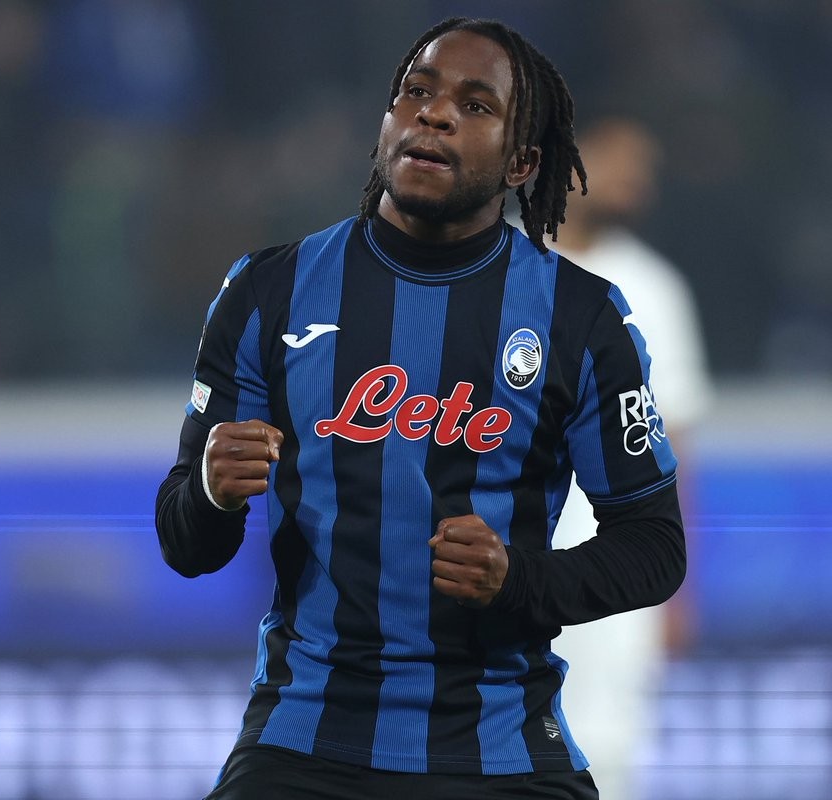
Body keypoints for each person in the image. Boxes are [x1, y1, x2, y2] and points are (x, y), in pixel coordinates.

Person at [155, 17, 687, 800]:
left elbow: (653, 547)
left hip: (501, 751)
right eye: (415, 92)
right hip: (302, 746)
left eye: (475, 105)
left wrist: (517, 579)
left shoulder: (581, 318)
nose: (433, 114)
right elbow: (186, 544)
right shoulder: (268, 291)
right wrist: (209, 490)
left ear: (521, 162)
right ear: (385, 124)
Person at [546, 117, 711, 800]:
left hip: (616, 556)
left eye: (644, 169)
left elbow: (676, 447)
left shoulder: (655, 288)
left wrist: (678, 583)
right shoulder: (488, 261)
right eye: (618, 160)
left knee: (605, 753)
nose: (633, 182)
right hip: (499, 551)